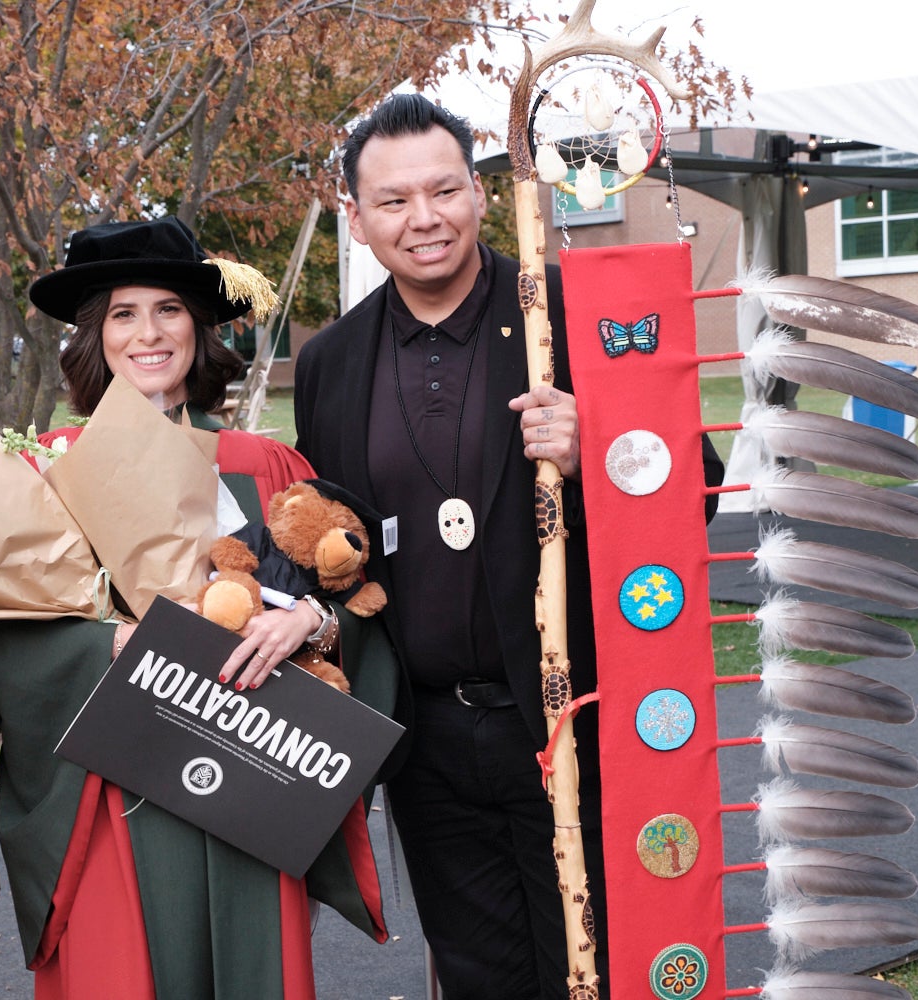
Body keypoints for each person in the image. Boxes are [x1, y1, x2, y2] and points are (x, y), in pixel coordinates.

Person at [294, 94, 723, 1000]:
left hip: (581, 716)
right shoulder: (333, 362)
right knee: (483, 976)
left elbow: (702, 486)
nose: (424, 219)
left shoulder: (579, 314)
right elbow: (328, 544)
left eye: (445, 190)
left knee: (605, 962)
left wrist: (599, 446)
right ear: (359, 217)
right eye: (394, 201)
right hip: (427, 736)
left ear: (481, 195)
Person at [0, 216, 399, 1000]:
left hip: (250, 766)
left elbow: (352, 592)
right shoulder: (46, 471)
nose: (149, 334)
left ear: (199, 329)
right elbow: (3, 635)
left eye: (168, 309)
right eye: (123, 314)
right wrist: (102, 645)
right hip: (109, 788)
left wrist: (312, 622)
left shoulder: (263, 464)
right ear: (93, 335)